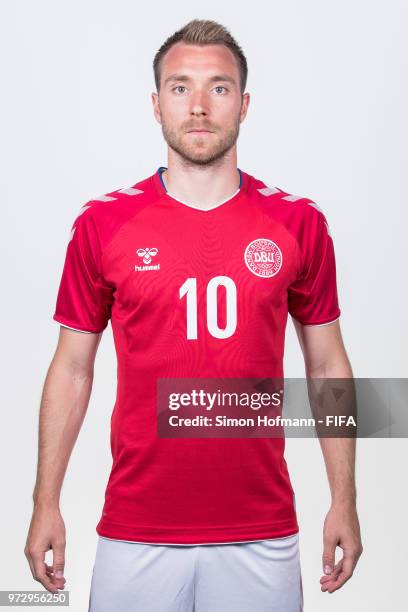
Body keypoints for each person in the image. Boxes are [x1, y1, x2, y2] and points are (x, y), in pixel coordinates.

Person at [24, 18, 363, 612]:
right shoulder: (103, 225)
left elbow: (327, 364)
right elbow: (73, 368)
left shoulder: (298, 224)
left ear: (245, 103)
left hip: (261, 531)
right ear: (156, 105)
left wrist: (344, 498)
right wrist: (45, 501)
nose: (200, 106)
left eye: (219, 88)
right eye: (181, 88)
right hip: (136, 530)